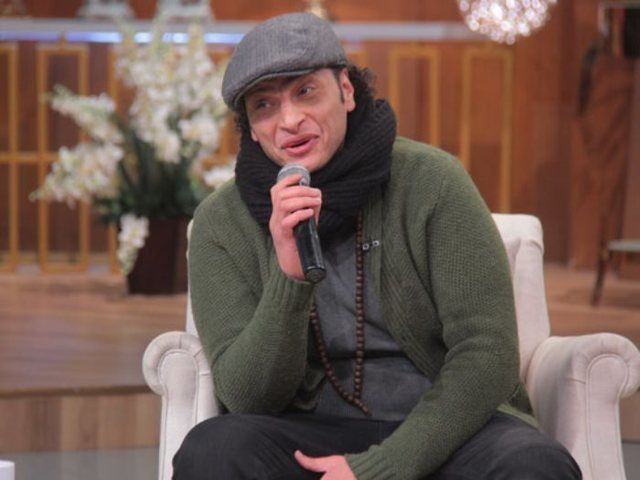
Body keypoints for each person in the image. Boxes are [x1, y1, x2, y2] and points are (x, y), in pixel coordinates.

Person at [172, 12, 582, 480]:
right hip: (307, 431)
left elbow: (487, 353)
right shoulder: (222, 222)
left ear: (346, 91)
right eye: (264, 105)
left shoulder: (432, 181)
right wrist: (289, 280)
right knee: (213, 451)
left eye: (306, 91)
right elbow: (247, 397)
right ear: (250, 126)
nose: (290, 120)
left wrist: (381, 469)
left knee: (533, 464)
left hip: (442, 428)